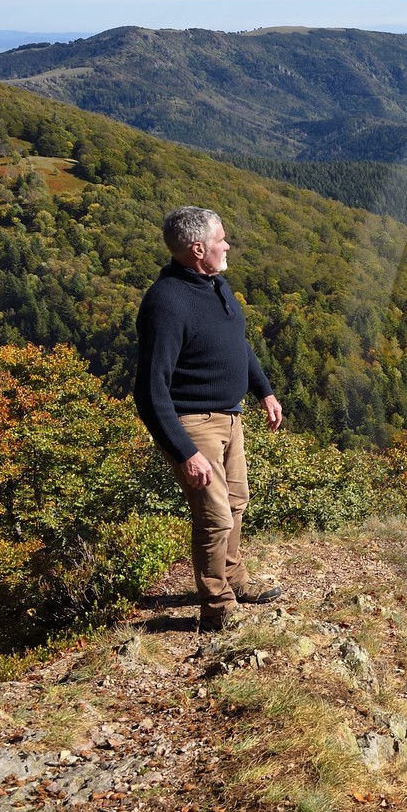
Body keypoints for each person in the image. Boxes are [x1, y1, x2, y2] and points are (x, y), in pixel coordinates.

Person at [134, 206, 284, 631]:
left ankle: (234, 581)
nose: (228, 244)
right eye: (222, 239)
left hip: (229, 417)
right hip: (193, 423)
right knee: (215, 516)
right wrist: (184, 451)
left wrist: (264, 391)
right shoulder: (166, 303)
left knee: (236, 504)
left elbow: (237, 342)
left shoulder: (214, 283)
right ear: (199, 249)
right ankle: (217, 609)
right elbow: (149, 391)